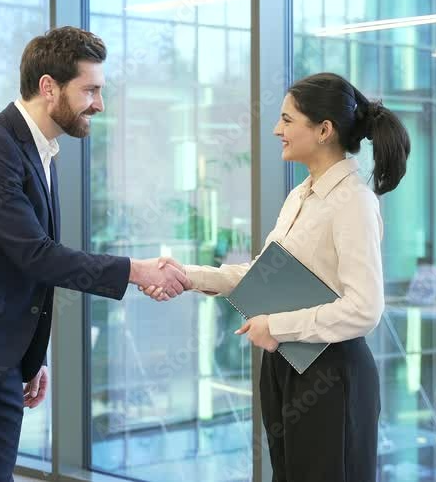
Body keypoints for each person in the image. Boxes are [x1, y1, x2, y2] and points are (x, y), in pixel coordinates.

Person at [0, 26, 189, 482]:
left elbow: (18, 271)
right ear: (49, 87)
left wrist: (33, 358)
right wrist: (135, 270)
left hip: (1, 361)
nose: (99, 104)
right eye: (89, 90)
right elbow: (36, 255)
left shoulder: (39, 150)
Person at [144, 72, 410, 481]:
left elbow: (365, 309)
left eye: (287, 120)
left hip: (331, 371)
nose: (276, 130)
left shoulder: (353, 201)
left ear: (324, 130)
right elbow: (265, 273)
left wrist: (278, 326)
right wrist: (187, 275)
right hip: (287, 362)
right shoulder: (301, 195)